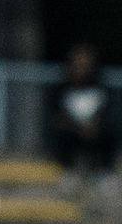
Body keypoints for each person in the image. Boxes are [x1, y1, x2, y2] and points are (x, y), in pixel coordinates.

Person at [47, 44, 117, 175]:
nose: (81, 68)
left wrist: (93, 127)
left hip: (95, 133)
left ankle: (105, 173)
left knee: (110, 133)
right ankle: (67, 172)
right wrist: (78, 128)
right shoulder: (61, 89)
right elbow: (57, 116)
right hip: (71, 132)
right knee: (62, 135)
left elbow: (106, 114)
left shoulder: (101, 89)